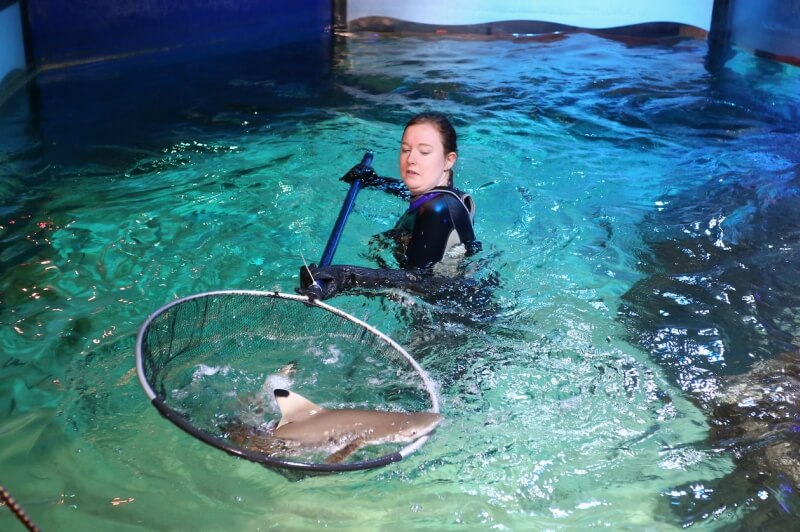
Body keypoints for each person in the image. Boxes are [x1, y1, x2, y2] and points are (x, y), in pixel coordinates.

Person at [298, 112, 479, 300]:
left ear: (449, 160)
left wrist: (344, 276)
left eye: (424, 152)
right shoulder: (444, 196)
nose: (411, 159)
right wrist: (376, 180)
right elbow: (406, 192)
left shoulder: (438, 210)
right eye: (406, 150)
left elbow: (420, 282)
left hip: (448, 320)